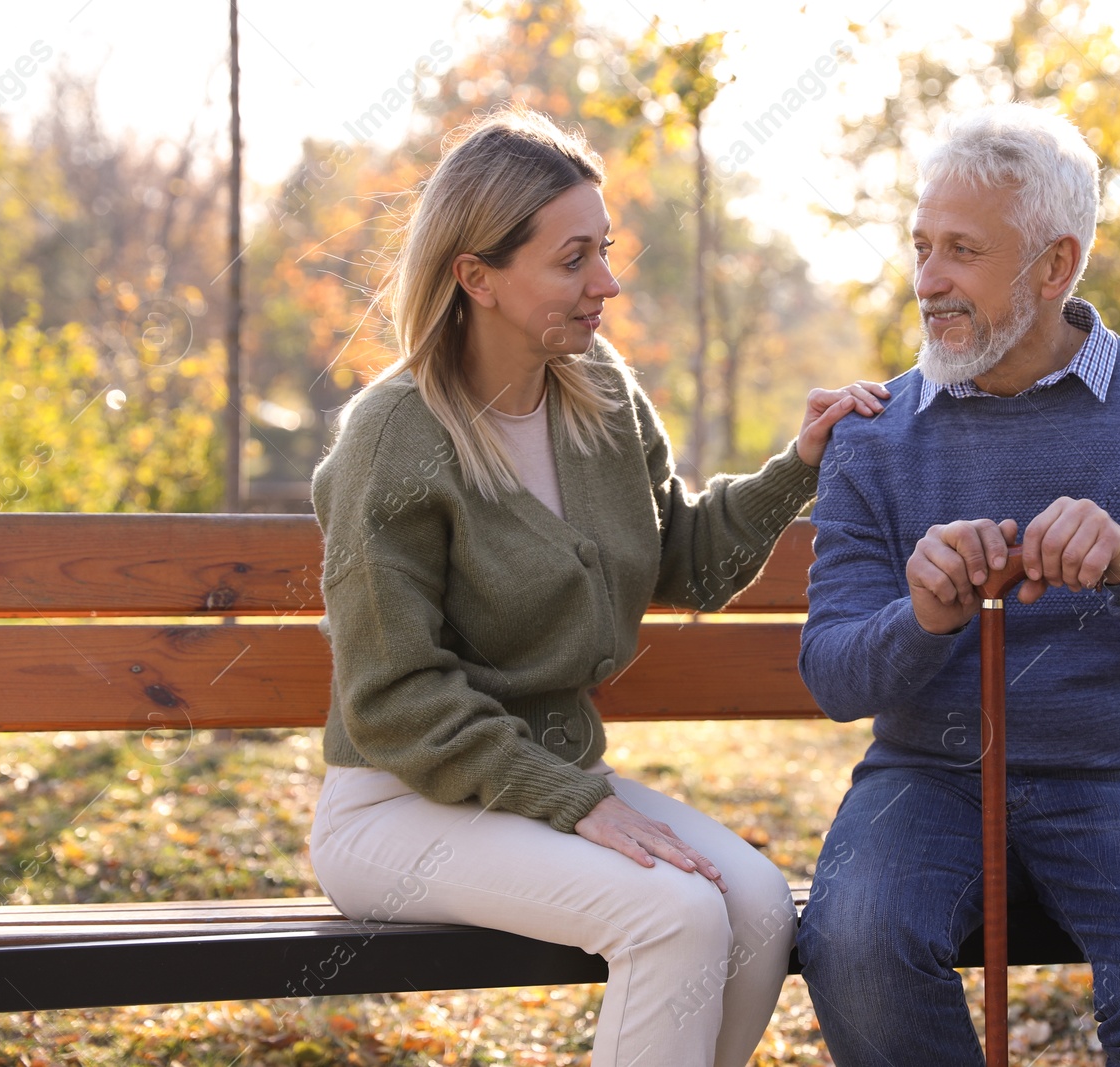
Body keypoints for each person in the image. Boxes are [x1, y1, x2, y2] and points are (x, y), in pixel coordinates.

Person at [307, 105, 888, 1067]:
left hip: (552, 785)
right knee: (676, 917)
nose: (606, 284)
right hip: (396, 808)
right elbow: (393, 697)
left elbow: (686, 557)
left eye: (605, 251)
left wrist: (799, 464)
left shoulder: (600, 393)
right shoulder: (395, 435)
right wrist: (580, 804)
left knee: (751, 903)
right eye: (573, 259)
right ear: (476, 275)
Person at [795, 103, 1120, 1066]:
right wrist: (925, 616)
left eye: (963, 252)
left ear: (1056, 265)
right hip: (928, 776)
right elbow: (833, 677)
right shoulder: (872, 434)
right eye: (921, 246)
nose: (928, 281)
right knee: (853, 945)